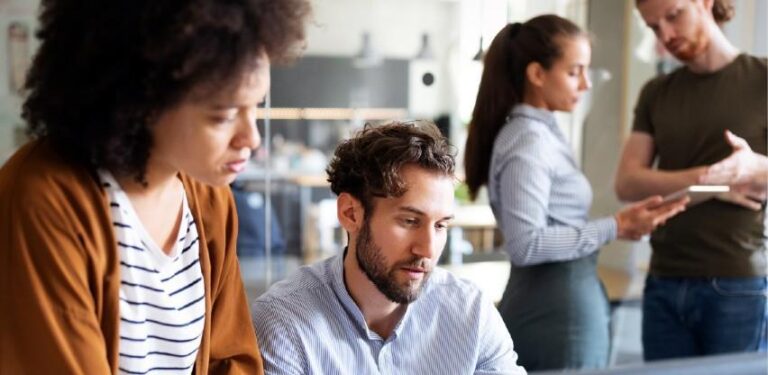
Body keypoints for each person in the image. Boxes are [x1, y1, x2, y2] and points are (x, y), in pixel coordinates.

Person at [0, 0, 310, 373]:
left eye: (256, 106)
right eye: (224, 116)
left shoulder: (210, 198)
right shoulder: (43, 199)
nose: (252, 138)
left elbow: (231, 358)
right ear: (142, 99)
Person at [462, 15, 687, 371]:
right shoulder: (529, 140)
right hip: (555, 311)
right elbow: (525, 243)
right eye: (574, 72)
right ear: (537, 74)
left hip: (559, 301)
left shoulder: (540, 133)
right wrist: (616, 226)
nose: (585, 83)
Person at [252, 121, 526, 374]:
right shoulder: (285, 322)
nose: (427, 250)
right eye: (409, 221)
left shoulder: (471, 313)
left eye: (440, 225)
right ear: (350, 214)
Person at [614, 0, 767, 361]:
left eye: (673, 15)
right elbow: (627, 182)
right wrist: (710, 182)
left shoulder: (763, 79)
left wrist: (752, 166)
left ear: (705, 3)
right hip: (663, 279)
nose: (666, 35)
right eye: (654, 26)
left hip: (737, 284)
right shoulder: (656, 92)